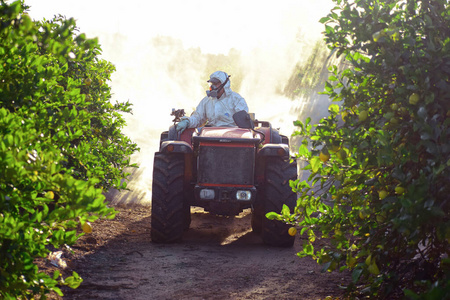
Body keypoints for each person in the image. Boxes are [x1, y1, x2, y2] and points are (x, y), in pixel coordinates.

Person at [176, 71, 249, 133]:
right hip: (210, 133)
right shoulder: (207, 101)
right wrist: (188, 122)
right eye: (212, 84)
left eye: (216, 84)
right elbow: (198, 118)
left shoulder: (237, 100)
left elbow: (243, 123)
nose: (213, 86)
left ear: (225, 84)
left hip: (233, 134)